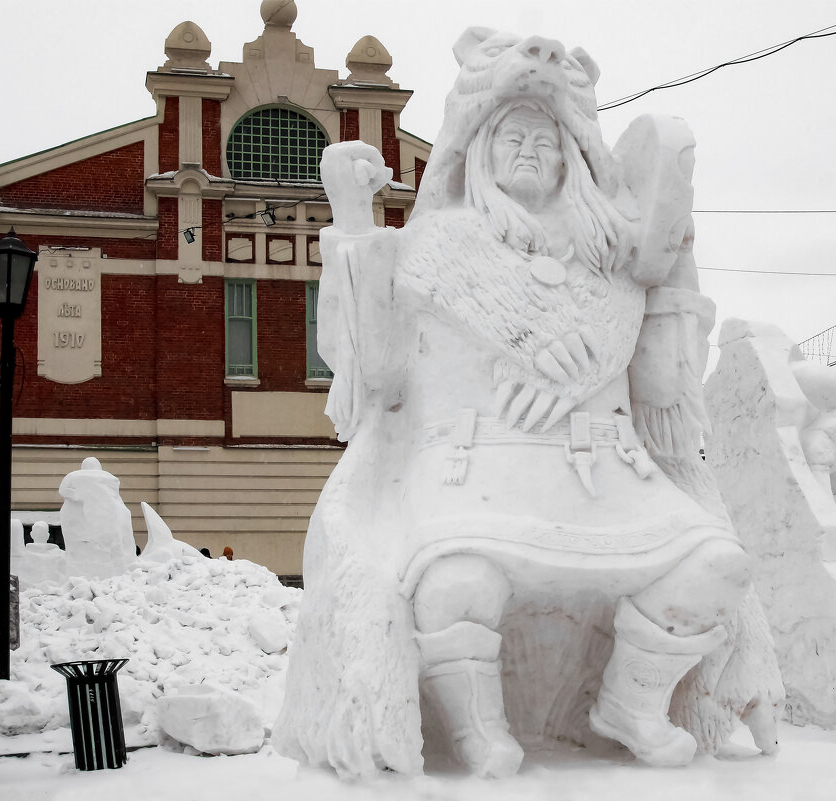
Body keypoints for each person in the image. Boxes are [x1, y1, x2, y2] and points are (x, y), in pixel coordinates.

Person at [276, 28, 778, 780]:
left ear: (572, 157)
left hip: (608, 477)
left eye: (545, 140)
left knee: (715, 565)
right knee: (457, 582)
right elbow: (372, 376)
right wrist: (350, 221)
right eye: (510, 136)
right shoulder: (436, 247)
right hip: (473, 472)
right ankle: (477, 730)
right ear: (476, 153)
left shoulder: (611, 265)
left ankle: (629, 705)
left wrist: (675, 252)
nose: (528, 150)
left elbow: (663, 387)